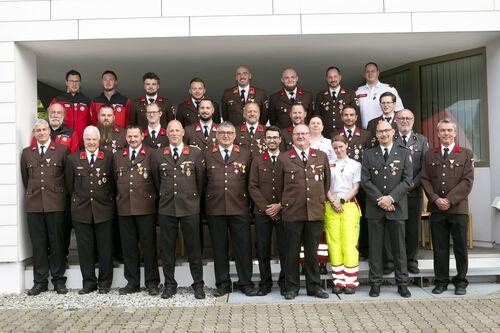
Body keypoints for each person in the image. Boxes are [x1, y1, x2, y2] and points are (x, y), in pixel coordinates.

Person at [152, 120, 206, 300]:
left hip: (190, 207)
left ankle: (198, 285)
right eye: (171, 131)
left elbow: (200, 181)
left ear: (183, 132)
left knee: (194, 249)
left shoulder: (195, 153)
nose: (174, 133)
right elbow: (155, 181)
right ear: (166, 133)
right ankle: (169, 285)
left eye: (177, 130)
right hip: (167, 208)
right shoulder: (159, 154)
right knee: (167, 250)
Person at [421, 118, 474, 295]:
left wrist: (449, 200)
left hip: (457, 209)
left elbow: (467, 181)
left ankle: (460, 282)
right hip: (437, 209)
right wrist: (435, 199)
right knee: (440, 247)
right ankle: (441, 281)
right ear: (437, 134)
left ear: (455, 133)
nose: (446, 134)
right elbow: (425, 179)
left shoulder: (466, 154)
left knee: (460, 247)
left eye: (449, 130)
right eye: (442, 131)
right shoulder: (430, 154)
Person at [279, 124, 331, 300]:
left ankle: (314, 287)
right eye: (297, 134)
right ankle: (291, 287)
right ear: (292, 137)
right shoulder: (284, 158)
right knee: (291, 252)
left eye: (304, 133)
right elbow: (279, 186)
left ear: (310, 136)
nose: (301, 136)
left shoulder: (321, 156)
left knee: (312, 252)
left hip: (315, 211)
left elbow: (326, 184)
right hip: (293, 212)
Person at [361, 121, 413, 298]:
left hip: (396, 206)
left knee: (399, 248)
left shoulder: (404, 153)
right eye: (380, 131)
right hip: (375, 208)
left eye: (386, 131)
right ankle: (375, 283)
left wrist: (390, 198)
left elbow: (407, 180)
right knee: (375, 249)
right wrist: (380, 200)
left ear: (393, 132)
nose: (383, 134)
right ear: (375, 134)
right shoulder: (368, 154)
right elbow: (365, 181)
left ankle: (402, 283)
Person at [205, 121, 256, 297]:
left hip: (239, 207)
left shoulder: (245, 154)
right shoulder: (207, 154)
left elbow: (251, 182)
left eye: (229, 133)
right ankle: (223, 283)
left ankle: (245, 283)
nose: (225, 136)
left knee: (243, 247)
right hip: (215, 208)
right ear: (216, 135)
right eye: (221, 133)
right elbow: (202, 182)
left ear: (235, 135)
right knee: (219, 248)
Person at [21, 119, 69, 296]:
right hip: (34, 205)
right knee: (39, 244)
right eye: (37, 130)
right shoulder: (27, 153)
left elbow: (67, 178)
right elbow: (26, 179)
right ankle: (40, 281)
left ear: (50, 132)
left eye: (44, 129)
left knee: (56, 242)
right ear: (34, 134)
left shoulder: (62, 151)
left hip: (55, 203)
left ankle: (58, 280)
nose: (41, 133)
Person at [65, 126, 114, 294]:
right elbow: (69, 186)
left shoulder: (108, 157)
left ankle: (105, 283)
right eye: (88, 139)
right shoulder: (73, 159)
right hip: (81, 210)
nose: (91, 142)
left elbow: (113, 184)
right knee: (85, 249)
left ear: (99, 140)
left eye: (94, 139)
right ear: (83, 140)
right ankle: (89, 283)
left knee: (105, 248)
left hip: (104, 210)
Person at [114, 126, 160, 296]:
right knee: (129, 248)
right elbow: (114, 182)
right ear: (126, 138)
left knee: (149, 247)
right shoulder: (119, 156)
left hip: (146, 208)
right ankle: (132, 282)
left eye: (136, 136)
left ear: (142, 136)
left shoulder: (151, 154)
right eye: (130, 136)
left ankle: (152, 282)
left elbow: (157, 181)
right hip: (125, 208)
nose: (133, 139)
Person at [384, 109, 428, 274]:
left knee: (412, 228)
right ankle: (390, 262)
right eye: (401, 118)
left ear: (413, 120)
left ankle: (411, 261)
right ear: (395, 120)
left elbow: (425, 167)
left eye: (408, 118)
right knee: (392, 228)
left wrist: (411, 184)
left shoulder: (421, 141)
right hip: (394, 194)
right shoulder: (390, 138)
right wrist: (396, 190)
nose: (404, 121)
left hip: (413, 192)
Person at [248, 126, 286, 296]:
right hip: (262, 212)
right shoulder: (257, 160)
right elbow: (252, 186)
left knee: (285, 249)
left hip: (283, 211)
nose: (272, 140)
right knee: (262, 249)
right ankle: (265, 283)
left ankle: (285, 282)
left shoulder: (287, 159)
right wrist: (266, 207)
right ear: (264, 140)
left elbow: (291, 186)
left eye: (275, 137)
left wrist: (280, 205)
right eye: (269, 137)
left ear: (280, 140)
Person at [332, 106, 373, 259]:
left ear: (356, 117)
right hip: (340, 187)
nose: (349, 118)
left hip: (360, 185)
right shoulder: (335, 135)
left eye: (351, 115)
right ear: (341, 117)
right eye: (345, 115)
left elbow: (370, 158)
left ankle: (363, 250)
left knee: (361, 221)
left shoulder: (366, 135)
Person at [324, 135, 361, 294]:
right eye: (335, 147)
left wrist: (342, 201)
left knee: (349, 243)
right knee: (334, 243)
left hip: (349, 205)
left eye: (341, 146)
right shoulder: (328, 164)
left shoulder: (355, 164)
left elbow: (356, 187)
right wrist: (333, 201)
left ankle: (351, 281)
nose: (338, 150)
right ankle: (338, 281)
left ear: (347, 145)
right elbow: (325, 185)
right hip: (331, 205)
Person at [356, 62, 404, 129]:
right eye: (367, 71)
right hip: (365, 132)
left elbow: (400, 111)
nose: (370, 74)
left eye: (373, 71)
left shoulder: (389, 89)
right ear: (364, 74)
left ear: (378, 73)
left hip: (385, 131)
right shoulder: (358, 91)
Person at [315, 66, 357, 139]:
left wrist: (356, 135)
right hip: (326, 136)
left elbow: (356, 115)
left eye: (335, 76)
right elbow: (317, 117)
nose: (333, 79)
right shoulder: (320, 96)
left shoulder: (350, 94)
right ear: (326, 79)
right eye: (330, 77)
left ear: (340, 77)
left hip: (345, 136)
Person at [51, 69, 92, 140]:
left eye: (77, 81)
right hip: (63, 141)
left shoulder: (87, 101)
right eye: (71, 81)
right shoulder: (57, 100)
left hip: (83, 141)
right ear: (66, 83)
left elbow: (91, 122)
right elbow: (51, 121)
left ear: (80, 83)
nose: (74, 84)